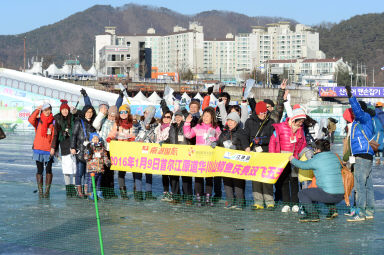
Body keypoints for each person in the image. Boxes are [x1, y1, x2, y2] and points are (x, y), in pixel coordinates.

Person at [289, 139, 344, 222]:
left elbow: (303, 165)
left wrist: (292, 159)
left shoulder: (317, 158)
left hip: (329, 195)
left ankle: (313, 215)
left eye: (315, 148)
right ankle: (333, 210)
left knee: (302, 193)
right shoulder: (335, 156)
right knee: (324, 189)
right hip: (340, 194)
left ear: (318, 149)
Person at [344, 86, 375, 221]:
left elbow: (357, 109)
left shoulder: (364, 117)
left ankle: (360, 212)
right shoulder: (361, 121)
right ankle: (369, 211)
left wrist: (351, 96)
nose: (354, 113)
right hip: (365, 154)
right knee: (367, 184)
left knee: (360, 184)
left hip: (362, 155)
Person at [269, 107, 307, 213]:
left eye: (302, 122)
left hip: (294, 158)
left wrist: (298, 156)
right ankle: (286, 203)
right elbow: (273, 141)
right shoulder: (281, 127)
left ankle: (295, 203)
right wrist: (274, 156)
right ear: (294, 119)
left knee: (294, 180)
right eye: (299, 121)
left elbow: (303, 143)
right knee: (284, 181)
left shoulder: (301, 130)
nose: (301, 124)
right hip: (282, 157)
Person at [183, 106, 221, 206]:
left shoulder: (216, 128)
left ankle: (208, 197)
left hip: (210, 157)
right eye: (204, 115)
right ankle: (198, 197)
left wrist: (215, 142)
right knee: (198, 178)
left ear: (212, 117)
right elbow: (188, 135)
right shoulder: (198, 127)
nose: (205, 117)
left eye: (208, 116)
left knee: (209, 177)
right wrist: (187, 123)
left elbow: (220, 140)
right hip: (198, 157)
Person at [244, 101, 275, 209]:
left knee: (266, 177)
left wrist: (262, 140)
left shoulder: (271, 122)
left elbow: (273, 137)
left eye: (265, 112)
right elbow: (245, 136)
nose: (264, 114)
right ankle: (258, 202)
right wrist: (246, 147)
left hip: (266, 153)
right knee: (256, 177)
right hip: (255, 153)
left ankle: (270, 201)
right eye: (261, 113)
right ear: (257, 112)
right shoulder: (249, 122)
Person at [217, 112, 249, 210]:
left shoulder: (241, 132)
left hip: (238, 162)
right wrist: (215, 143)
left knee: (238, 183)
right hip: (226, 162)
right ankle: (230, 201)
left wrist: (237, 148)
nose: (230, 122)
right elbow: (219, 143)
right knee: (227, 183)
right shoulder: (224, 132)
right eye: (228, 120)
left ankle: (240, 202)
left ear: (237, 122)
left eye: (232, 121)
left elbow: (246, 148)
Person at [106, 104, 136, 199]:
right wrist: (110, 137)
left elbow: (134, 133)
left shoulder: (132, 123)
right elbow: (113, 132)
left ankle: (136, 191)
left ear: (128, 113)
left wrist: (132, 138)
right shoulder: (117, 123)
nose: (123, 114)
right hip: (121, 150)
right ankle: (123, 192)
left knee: (135, 170)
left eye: (125, 112)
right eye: (121, 112)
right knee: (121, 171)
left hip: (131, 149)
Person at [28, 103, 55, 198]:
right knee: (39, 170)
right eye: (45, 110)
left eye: (48, 109)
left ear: (51, 110)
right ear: (42, 111)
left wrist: (53, 147)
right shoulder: (38, 120)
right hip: (38, 149)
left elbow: (54, 136)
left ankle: (47, 192)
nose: (47, 112)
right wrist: (37, 110)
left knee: (48, 170)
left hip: (48, 150)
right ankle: (40, 192)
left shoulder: (53, 121)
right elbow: (30, 119)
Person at [52, 100, 77, 197]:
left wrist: (75, 111)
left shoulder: (73, 118)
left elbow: (79, 115)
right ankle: (68, 189)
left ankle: (75, 188)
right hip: (64, 146)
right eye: (63, 110)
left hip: (74, 146)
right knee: (66, 169)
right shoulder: (58, 119)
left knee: (75, 169)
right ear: (61, 110)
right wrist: (56, 148)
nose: (65, 111)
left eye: (66, 109)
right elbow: (56, 135)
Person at [70, 104, 97, 198]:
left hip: (90, 150)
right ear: (84, 112)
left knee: (88, 172)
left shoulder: (93, 123)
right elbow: (74, 135)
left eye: (91, 112)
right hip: (80, 149)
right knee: (80, 171)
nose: (89, 114)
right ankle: (79, 191)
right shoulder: (79, 121)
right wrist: (73, 147)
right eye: (87, 112)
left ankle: (86, 190)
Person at [167, 109, 191, 203]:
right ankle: (176, 196)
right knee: (173, 178)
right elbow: (170, 138)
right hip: (174, 155)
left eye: (180, 116)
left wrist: (184, 110)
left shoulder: (186, 125)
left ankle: (188, 197)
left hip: (184, 154)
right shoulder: (172, 126)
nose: (178, 118)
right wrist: (164, 142)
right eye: (176, 116)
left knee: (186, 178)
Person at [135, 105, 158, 200]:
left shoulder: (156, 125)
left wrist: (149, 130)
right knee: (138, 173)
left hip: (149, 152)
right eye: (146, 113)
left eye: (150, 113)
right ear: (143, 114)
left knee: (149, 173)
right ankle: (138, 193)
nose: (147, 115)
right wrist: (144, 129)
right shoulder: (138, 124)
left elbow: (155, 138)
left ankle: (149, 193)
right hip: (139, 151)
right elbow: (135, 136)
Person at [98, 106, 118, 197]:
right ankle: (103, 190)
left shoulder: (117, 124)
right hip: (103, 149)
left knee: (110, 171)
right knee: (103, 170)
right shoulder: (104, 121)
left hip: (113, 150)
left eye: (113, 116)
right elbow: (96, 123)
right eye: (110, 115)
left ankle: (110, 191)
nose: (111, 118)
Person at [84, 133, 110, 200]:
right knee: (91, 183)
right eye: (94, 139)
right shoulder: (89, 147)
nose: (95, 140)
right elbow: (86, 157)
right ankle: (90, 195)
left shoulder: (101, 147)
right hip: (92, 169)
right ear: (91, 140)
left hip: (100, 169)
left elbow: (104, 156)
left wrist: (107, 162)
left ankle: (99, 194)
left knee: (98, 183)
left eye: (97, 139)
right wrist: (89, 153)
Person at [154, 110, 173, 201]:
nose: (166, 119)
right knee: (164, 174)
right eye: (164, 117)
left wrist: (166, 142)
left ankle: (173, 193)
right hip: (160, 152)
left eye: (168, 117)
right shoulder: (158, 127)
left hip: (170, 153)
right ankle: (165, 192)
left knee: (171, 174)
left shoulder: (172, 127)